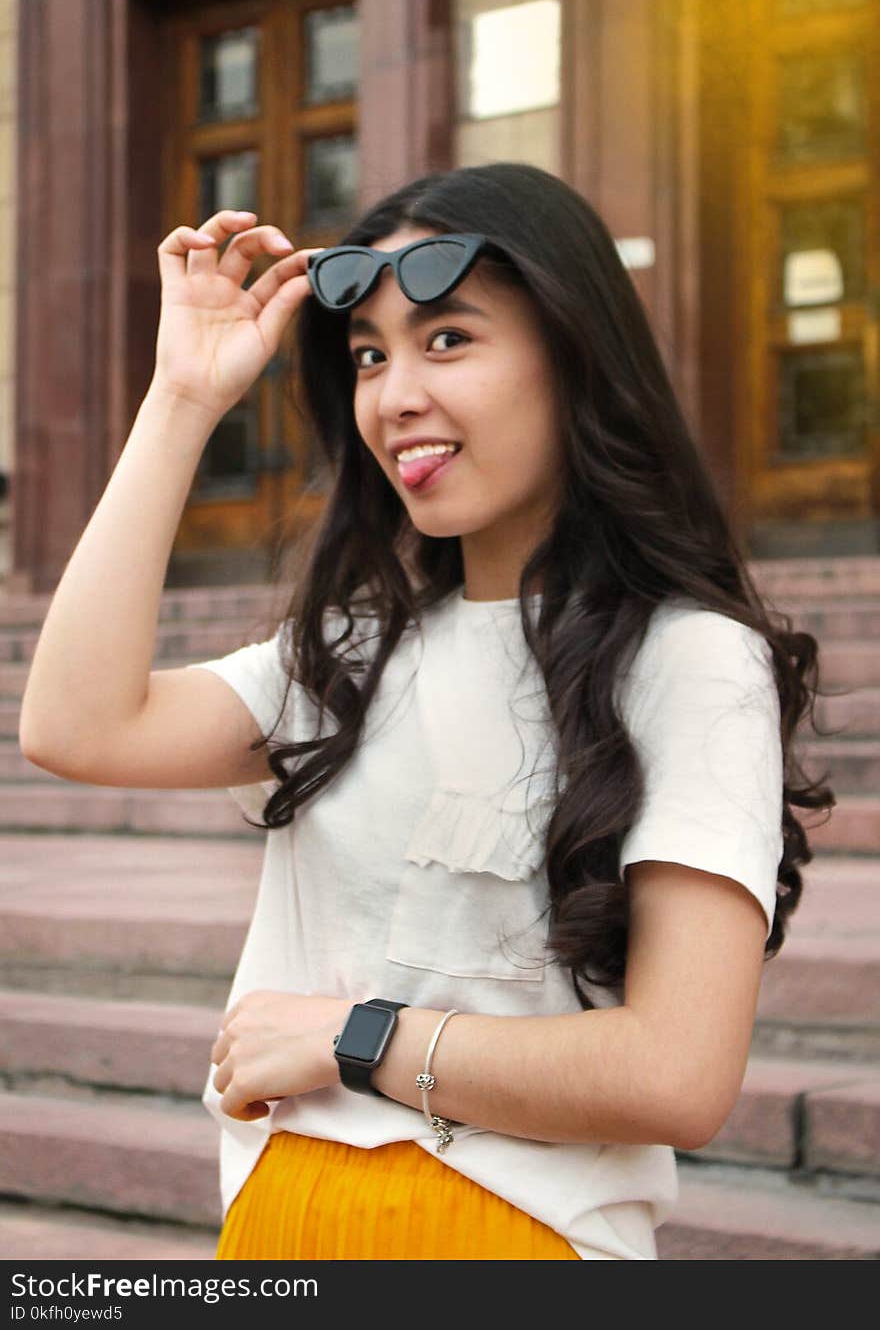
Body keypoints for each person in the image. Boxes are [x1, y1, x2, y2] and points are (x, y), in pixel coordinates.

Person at [19, 161, 835, 1262]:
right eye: (368, 355)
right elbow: (75, 726)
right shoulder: (349, 656)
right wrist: (184, 399)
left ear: (572, 354)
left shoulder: (688, 661)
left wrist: (355, 1040)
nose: (394, 393)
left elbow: (676, 1075)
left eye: (447, 339)